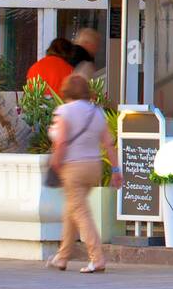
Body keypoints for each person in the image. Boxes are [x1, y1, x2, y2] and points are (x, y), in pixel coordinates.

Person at [47, 74, 121, 273]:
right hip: (93, 167)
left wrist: (55, 162)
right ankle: (62, 257)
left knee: (80, 212)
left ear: (67, 91)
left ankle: (97, 258)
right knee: (71, 210)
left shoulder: (64, 111)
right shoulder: (97, 112)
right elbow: (108, 143)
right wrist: (116, 170)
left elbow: (61, 142)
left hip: (73, 168)